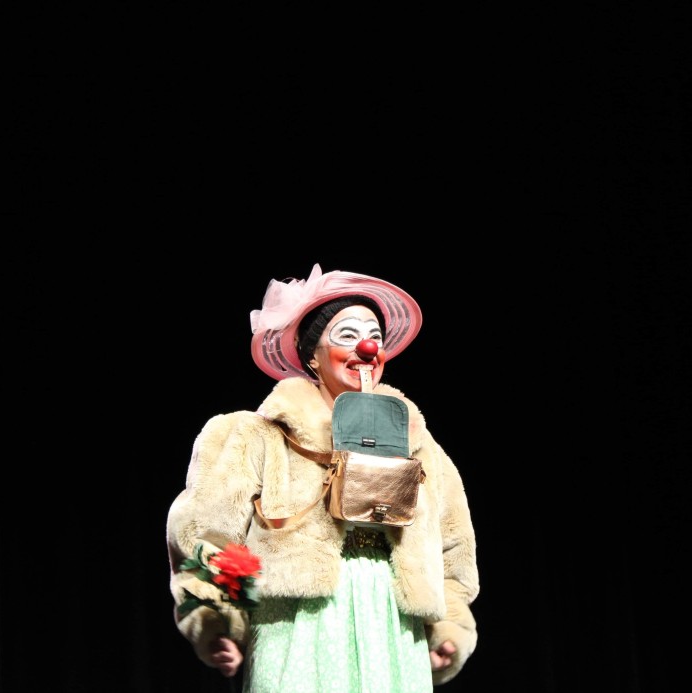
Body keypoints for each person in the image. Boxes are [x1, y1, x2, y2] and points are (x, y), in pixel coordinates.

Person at [166, 264, 479, 691]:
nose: (367, 346)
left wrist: (449, 627)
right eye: (347, 335)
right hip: (297, 626)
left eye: (375, 336)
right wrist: (218, 619)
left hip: (393, 625)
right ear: (311, 355)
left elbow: (453, 546)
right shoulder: (257, 435)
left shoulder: (419, 445)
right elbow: (211, 536)